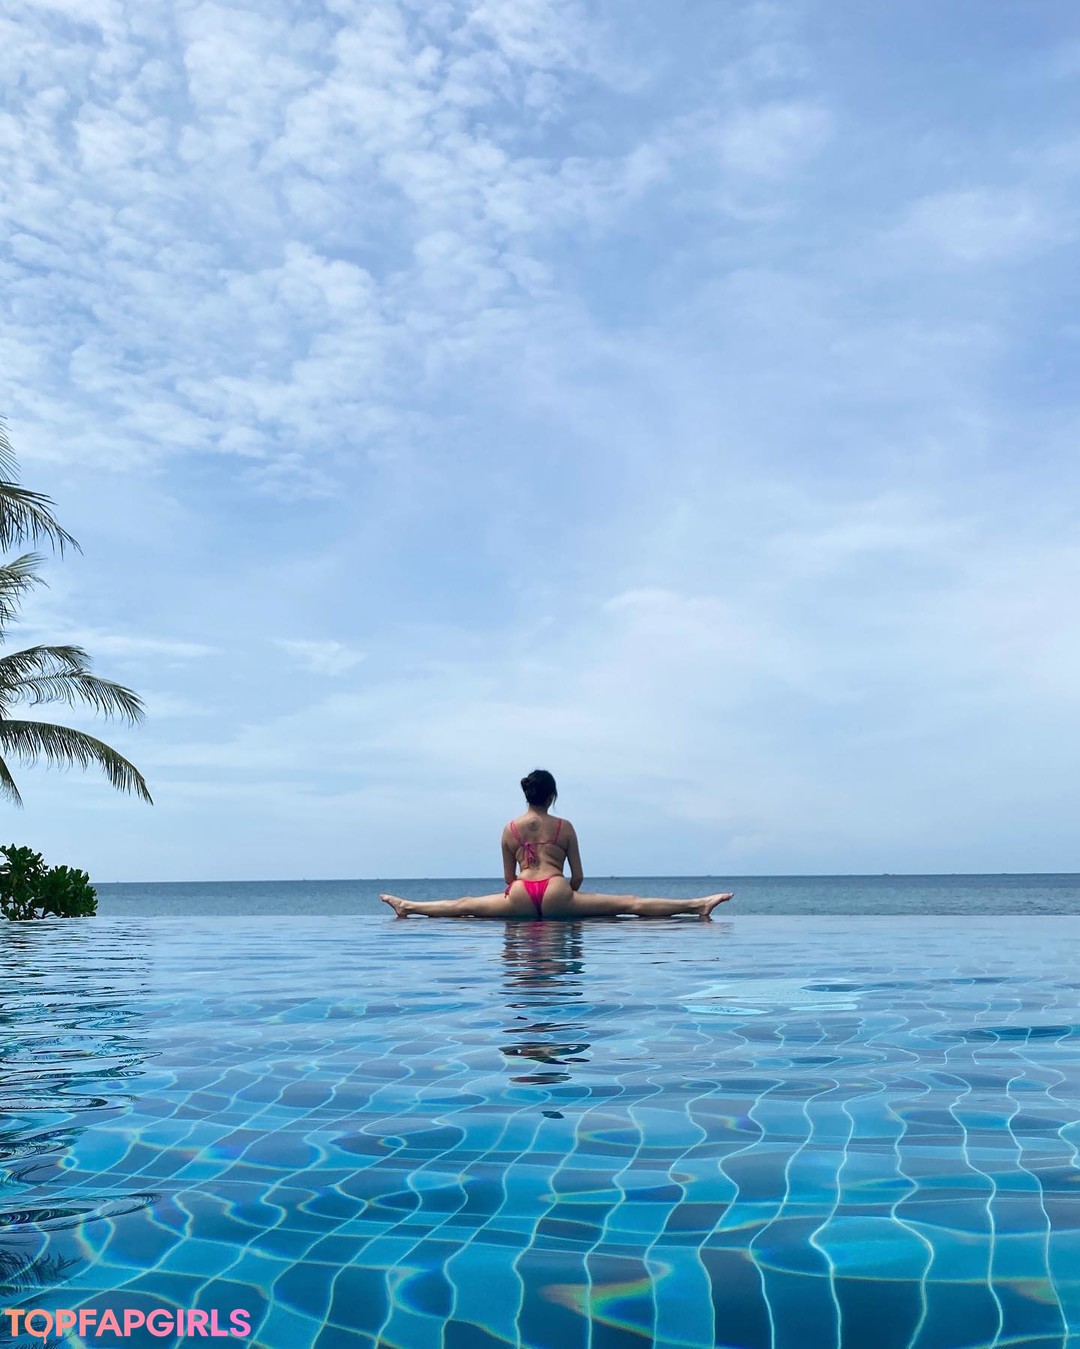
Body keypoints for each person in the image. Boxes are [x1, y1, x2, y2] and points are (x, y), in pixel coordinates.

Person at [379, 768, 733, 921]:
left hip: (520, 894)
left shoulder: (508, 829)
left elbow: (508, 878)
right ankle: (697, 905)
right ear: (552, 795)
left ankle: (408, 906)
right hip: (556, 890)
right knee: (629, 903)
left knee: (464, 906)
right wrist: (569, 900)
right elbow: (578, 875)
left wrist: (520, 897)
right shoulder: (564, 826)